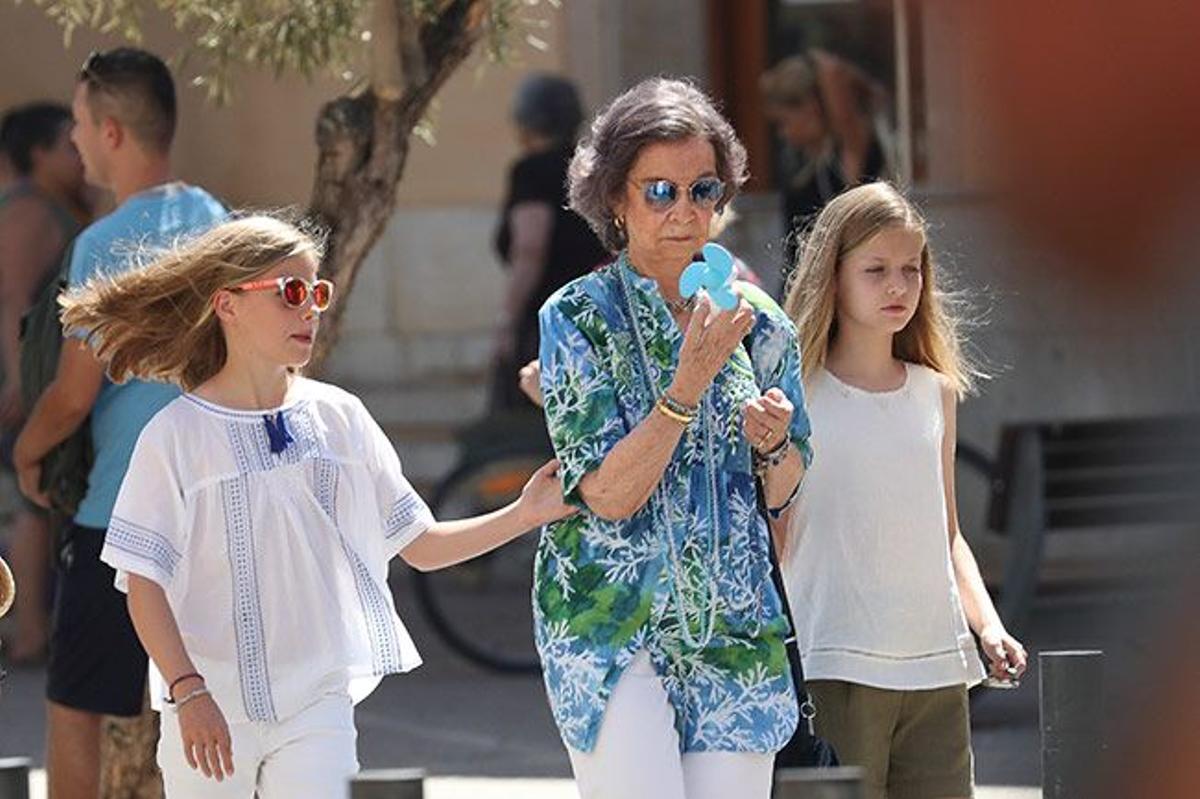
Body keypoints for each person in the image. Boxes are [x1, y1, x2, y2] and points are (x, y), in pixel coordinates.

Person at [58, 214, 573, 797]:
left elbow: (421, 546)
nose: (311, 310)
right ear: (227, 306)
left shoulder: (341, 418)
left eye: (318, 293)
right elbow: (142, 580)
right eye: (291, 293)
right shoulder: (174, 435)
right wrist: (187, 690)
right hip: (208, 706)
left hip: (317, 705)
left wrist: (525, 513)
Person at [535, 77, 813, 799]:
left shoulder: (758, 317)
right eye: (659, 191)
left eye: (702, 189)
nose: (684, 211)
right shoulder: (577, 318)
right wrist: (686, 387)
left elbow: (785, 489)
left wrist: (774, 445)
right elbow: (607, 493)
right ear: (617, 200)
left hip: (734, 631)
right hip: (611, 626)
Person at [11, 48, 226, 798]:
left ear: (109, 133)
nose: (70, 140)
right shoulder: (219, 226)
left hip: (119, 514)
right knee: (207, 700)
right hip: (211, 506)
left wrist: (28, 453)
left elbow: (73, 396)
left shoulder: (102, 245)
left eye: (76, 123)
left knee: (77, 706)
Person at [780, 182, 1027, 799]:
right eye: (876, 270)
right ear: (831, 276)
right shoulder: (791, 391)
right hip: (833, 658)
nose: (898, 286)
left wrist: (988, 626)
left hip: (937, 663)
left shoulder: (935, 392)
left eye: (911, 269)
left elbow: (947, 532)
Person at [0, 101, 90, 664]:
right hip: (19, 383)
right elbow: (11, 300)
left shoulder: (56, 206)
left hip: (32, 376)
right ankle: (30, 630)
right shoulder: (29, 212)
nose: (78, 153)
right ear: (38, 154)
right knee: (34, 501)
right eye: (66, 144)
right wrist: (20, 383)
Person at [491, 73, 609, 409]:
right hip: (596, 313)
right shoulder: (592, 169)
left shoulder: (533, 171)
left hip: (549, 324)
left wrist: (507, 321)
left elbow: (530, 248)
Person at [760, 52, 890, 269]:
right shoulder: (802, 161)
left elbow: (833, 70)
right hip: (799, 280)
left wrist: (812, 59)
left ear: (811, 109)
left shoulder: (847, 155)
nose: (783, 133)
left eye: (784, 122)